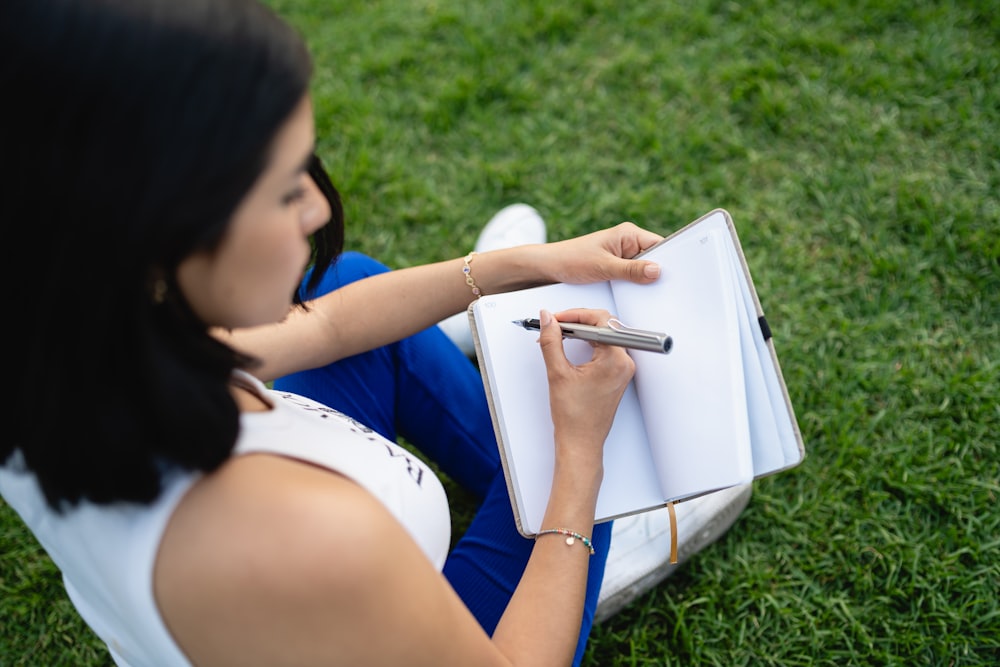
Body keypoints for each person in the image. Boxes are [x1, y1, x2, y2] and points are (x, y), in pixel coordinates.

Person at [1, 1, 751, 665]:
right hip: (436, 632)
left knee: (344, 281)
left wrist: (517, 266)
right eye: (286, 187)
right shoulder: (314, 541)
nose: (318, 209)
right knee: (590, 450)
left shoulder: (63, 340)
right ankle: (588, 554)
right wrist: (580, 467)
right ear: (157, 234)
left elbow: (324, 321)